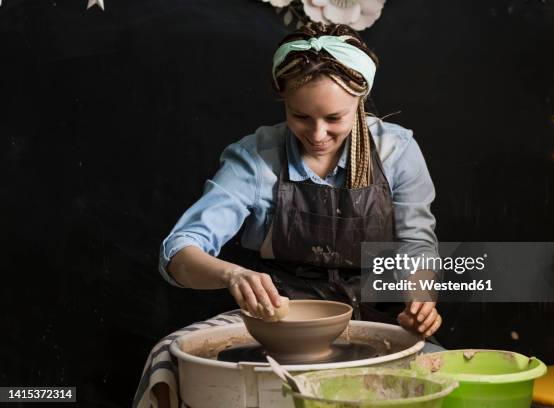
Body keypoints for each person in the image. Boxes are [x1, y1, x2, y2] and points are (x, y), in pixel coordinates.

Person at [160, 23, 442, 340]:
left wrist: (420, 301)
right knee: (172, 351)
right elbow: (177, 252)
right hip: (282, 319)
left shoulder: (397, 151)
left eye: (334, 118)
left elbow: (415, 245)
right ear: (285, 101)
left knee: (437, 375)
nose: (318, 135)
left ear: (359, 101)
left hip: (380, 320)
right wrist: (234, 275)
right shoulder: (254, 158)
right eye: (301, 116)